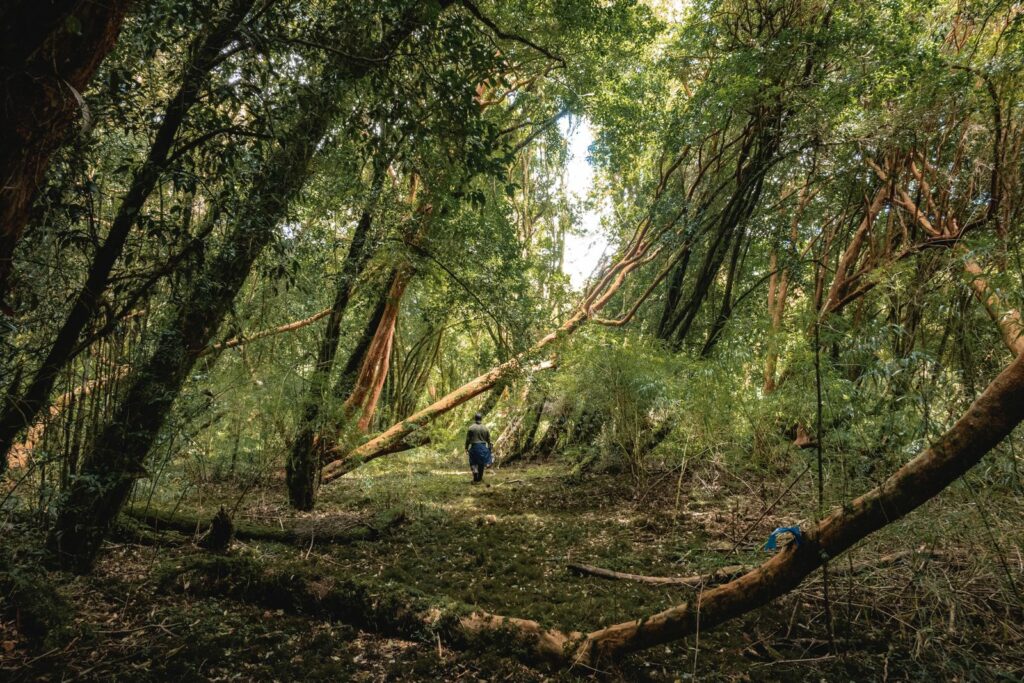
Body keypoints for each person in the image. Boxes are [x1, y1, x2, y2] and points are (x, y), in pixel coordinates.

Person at [465, 412, 493, 483]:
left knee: (473, 462)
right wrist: (490, 448)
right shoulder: (485, 428)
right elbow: (489, 440)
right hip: (483, 448)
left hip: (474, 447)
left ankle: (475, 474)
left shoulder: (471, 428)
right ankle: (479, 478)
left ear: (475, 419)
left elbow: (468, 439)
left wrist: (466, 448)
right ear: (481, 419)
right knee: (481, 464)